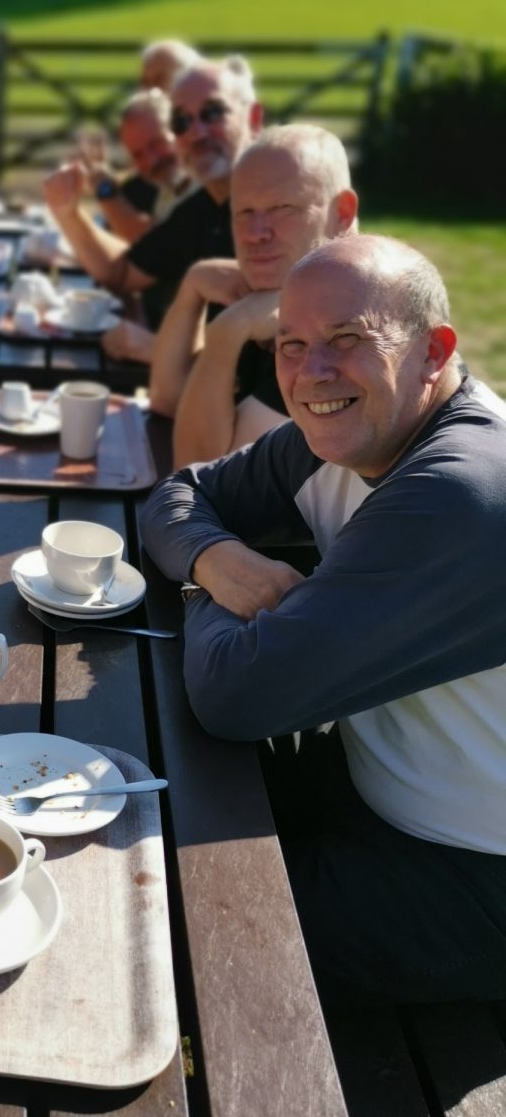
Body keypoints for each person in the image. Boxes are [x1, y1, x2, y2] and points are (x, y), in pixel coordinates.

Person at [139, 235, 506, 1004]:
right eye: (292, 345)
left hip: (469, 873)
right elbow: (178, 495)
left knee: (160, 917)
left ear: (435, 352)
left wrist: (202, 589)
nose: (311, 374)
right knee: (132, 788)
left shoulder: (461, 490)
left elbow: (238, 695)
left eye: (347, 339)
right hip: (370, 781)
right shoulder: (343, 433)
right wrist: (217, 559)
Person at [150, 125, 359, 466]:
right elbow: (167, 399)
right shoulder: (278, 292)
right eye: (243, 212)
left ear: (343, 213)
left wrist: (227, 331)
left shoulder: (341, 331)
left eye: (282, 208)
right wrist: (192, 286)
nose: (255, 233)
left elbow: (199, 476)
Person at [42, 58, 262, 363]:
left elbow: (270, 367)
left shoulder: (277, 203)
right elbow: (123, 273)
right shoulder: (203, 206)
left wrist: (155, 349)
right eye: (182, 121)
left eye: (212, 113)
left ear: (253, 118)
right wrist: (66, 211)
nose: (196, 133)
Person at [90, 90, 195, 243]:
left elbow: (158, 246)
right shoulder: (167, 195)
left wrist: (105, 190)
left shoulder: (209, 182)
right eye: (137, 155)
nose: (151, 161)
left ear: (178, 127)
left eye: (156, 143)